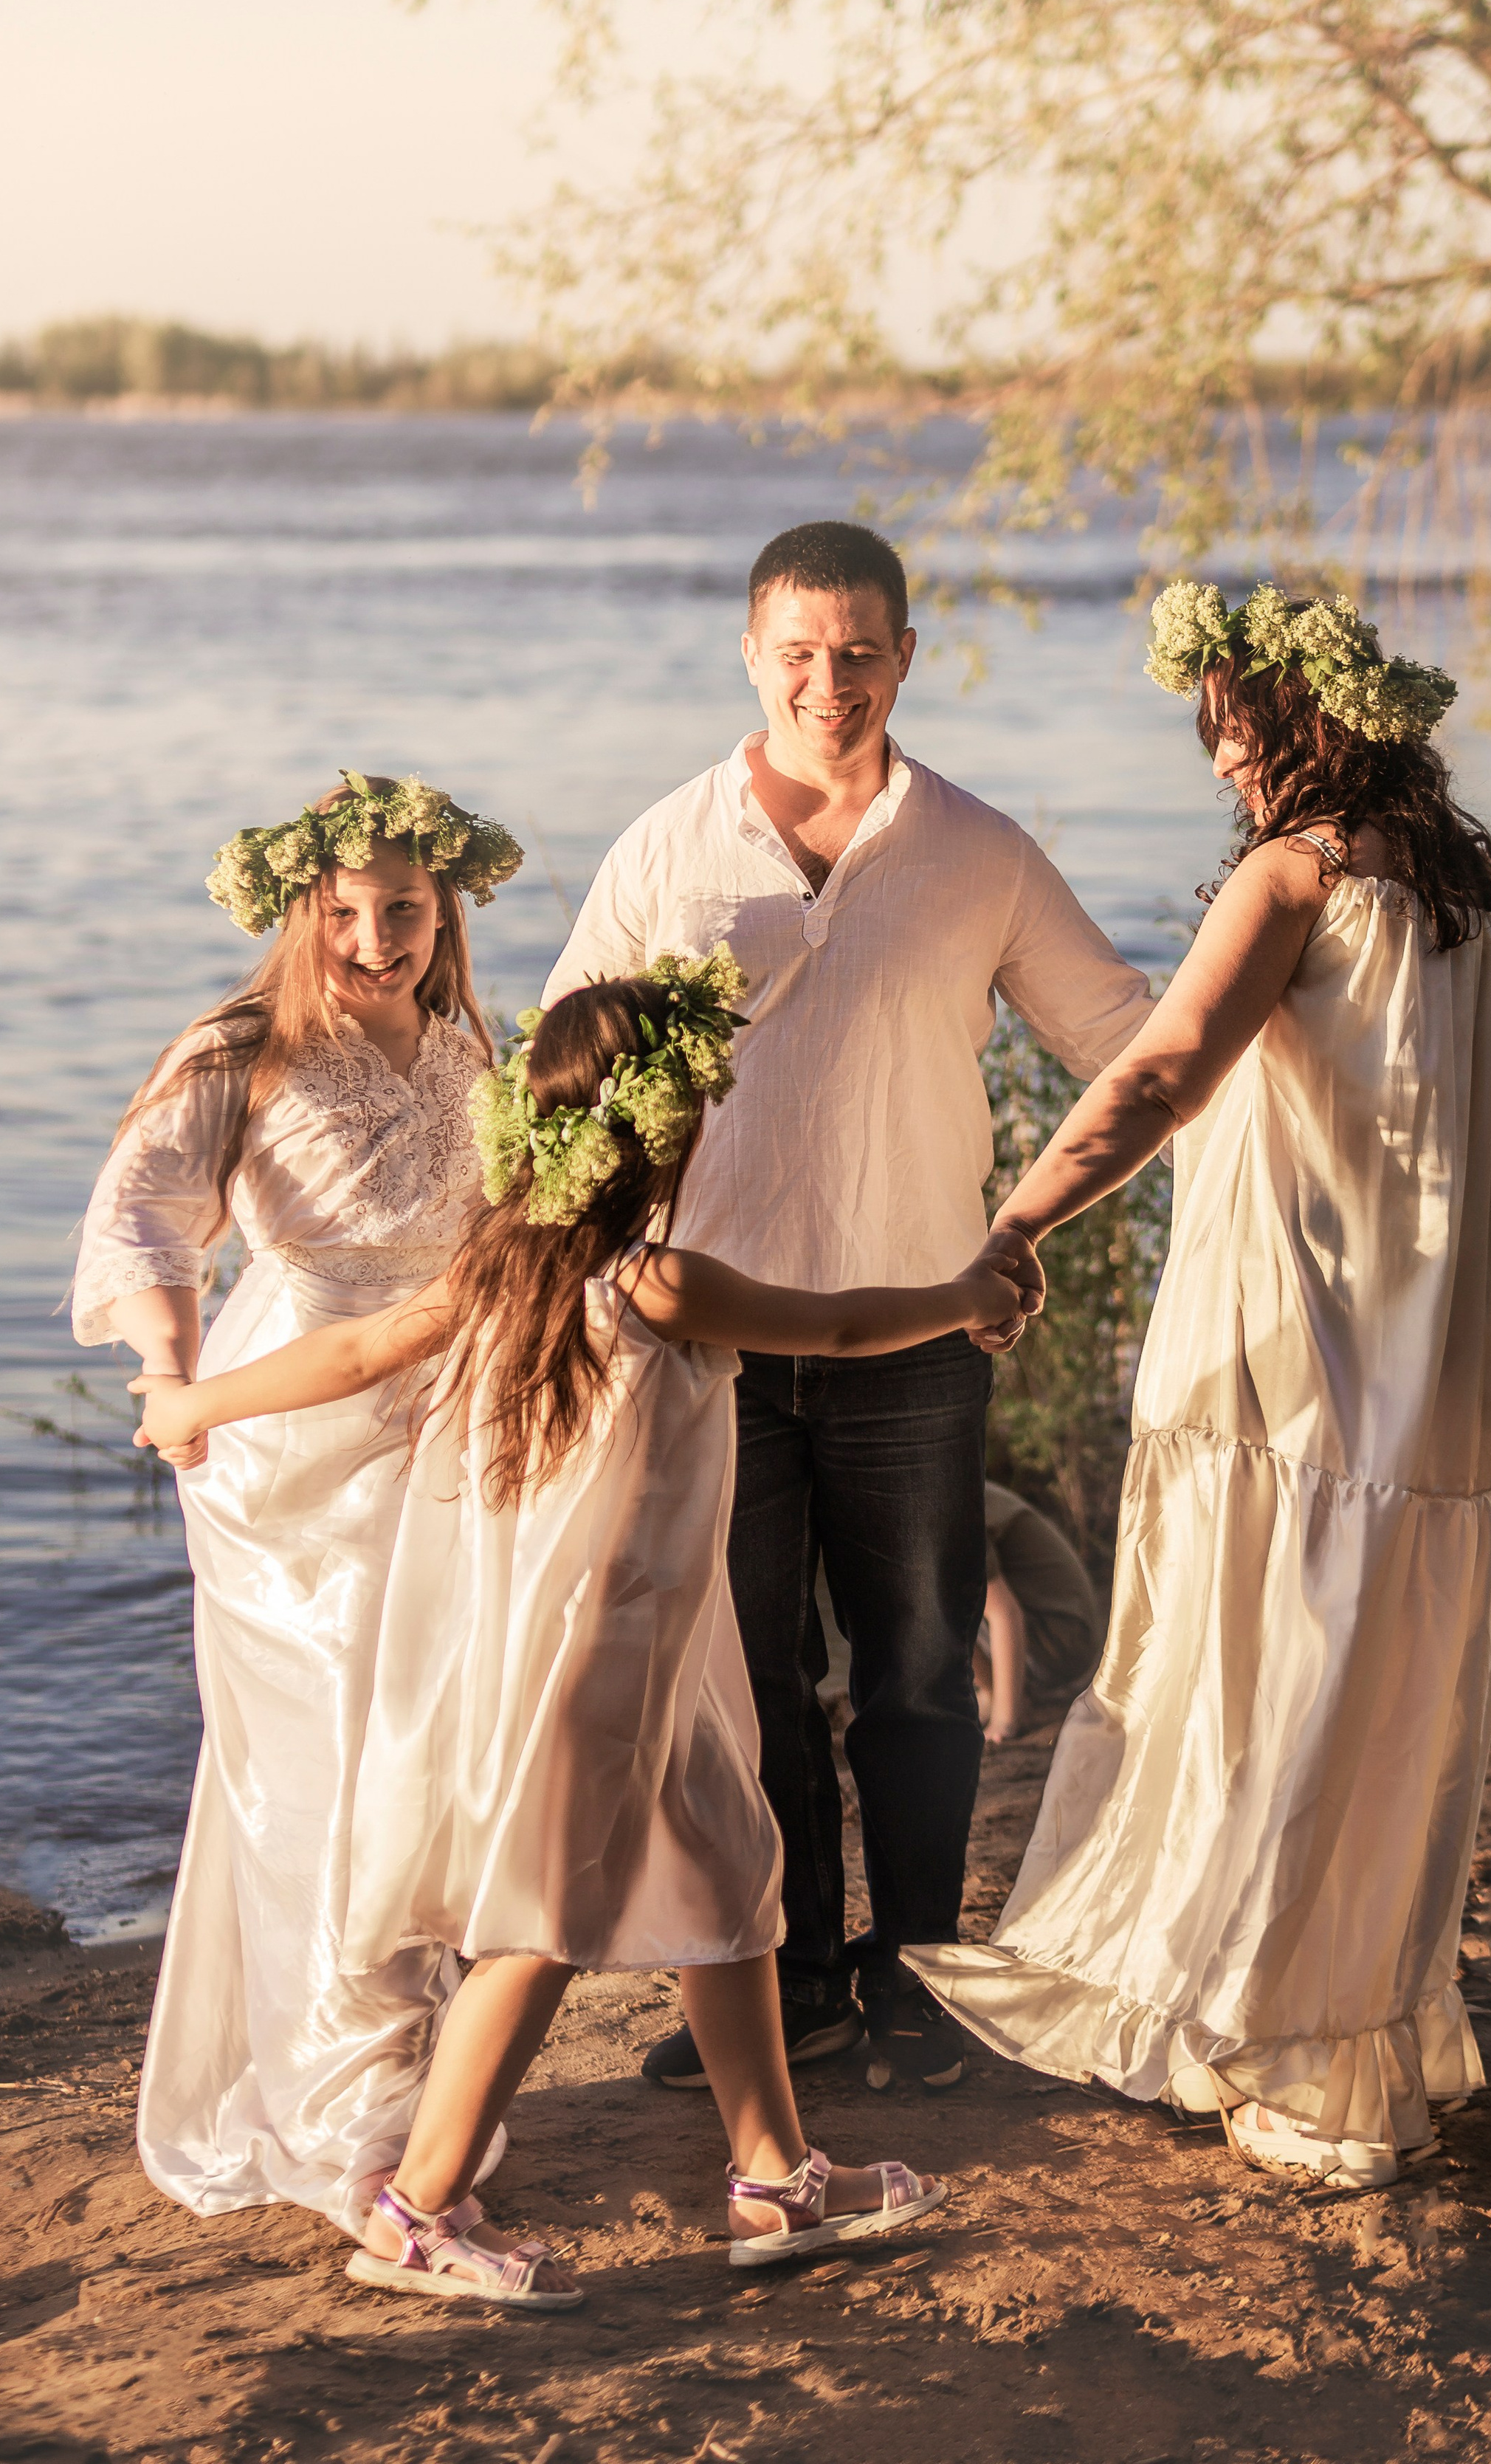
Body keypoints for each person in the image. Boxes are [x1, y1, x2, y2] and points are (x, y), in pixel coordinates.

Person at [136, 961, 1027, 2302]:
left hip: (661, 1653)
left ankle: (774, 2174)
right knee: (541, 1920)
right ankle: (419, 2210)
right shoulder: (658, 1282)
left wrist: (203, 1403)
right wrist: (965, 1296)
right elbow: (840, 1325)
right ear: (666, 1130)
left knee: (732, 1880)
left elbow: (351, 1354)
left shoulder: (506, 1266)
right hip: (597, 1661)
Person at [909, 583, 1491, 2189]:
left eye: (1236, 732)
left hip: (1292, 1355)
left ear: (1302, 730)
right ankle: (1349, 2034)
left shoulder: (1295, 880)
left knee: (1264, 1688)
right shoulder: (1482, 905)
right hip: (1429, 1390)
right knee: (1366, 1699)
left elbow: (1159, 1070)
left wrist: (1015, 1222)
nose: (1223, 767)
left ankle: (1293, 2047)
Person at [542, 521, 1151, 2090]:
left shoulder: (977, 850)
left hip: (916, 1335)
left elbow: (1130, 1046)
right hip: (710, 1349)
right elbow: (557, 1087)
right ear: (752, 656)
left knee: (918, 1668)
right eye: (800, 652)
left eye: (861, 650)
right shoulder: (662, 853)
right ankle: (796, 1974)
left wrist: (1021, 1227)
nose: (831, 681)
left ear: (903, 655)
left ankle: (917, 1982)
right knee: (746, 1688)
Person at [74, 772, 523, 2231]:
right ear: (299, 913)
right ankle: (352, 2134)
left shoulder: (471, 1042)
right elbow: (144, 1201)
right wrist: (169, 1366)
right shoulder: (243, 1043)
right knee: (327, 1770)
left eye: (403, 910)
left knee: (430, 1763)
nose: (375, 940)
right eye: (344, 914)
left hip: (444, 1424)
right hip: (286, 1442)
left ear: (444, 909)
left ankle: (405, 2087)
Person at [974, 1482, 1106, 1745]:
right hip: (1051, 1633)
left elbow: (1004, 1613)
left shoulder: (949, 1509)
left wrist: (1003, 1721)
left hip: (1061, 1641)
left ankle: (1008, 1705)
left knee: (942, 1598)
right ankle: (993, 1692)